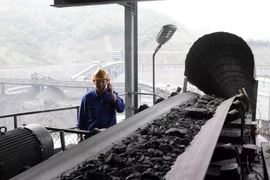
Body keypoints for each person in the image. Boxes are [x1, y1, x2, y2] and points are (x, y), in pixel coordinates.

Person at [76, 68, 125, 143]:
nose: (100, 84)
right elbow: (81, 121)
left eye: (103, 81)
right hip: (91, 136)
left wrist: (112, 95)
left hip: (109, 135)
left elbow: (121, 108)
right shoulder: (87, 98)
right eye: (98, 81)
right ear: (94, 81)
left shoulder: (113, 95)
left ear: (108, 81)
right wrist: (79, 137)